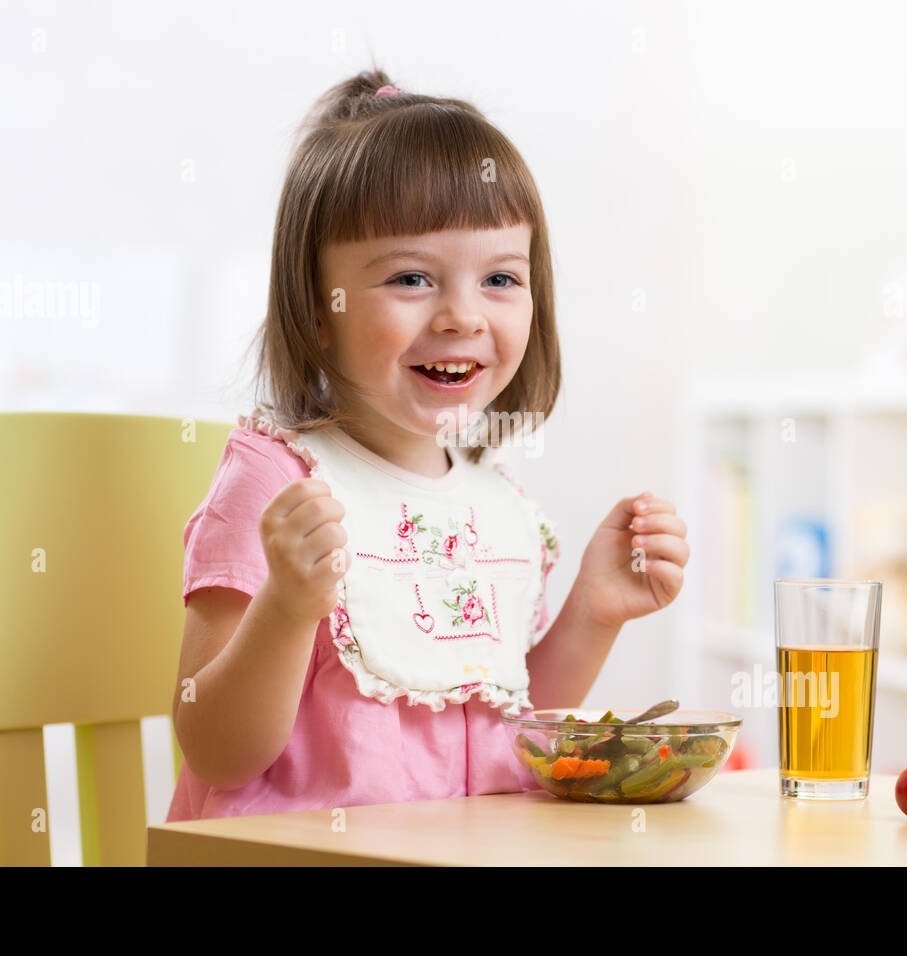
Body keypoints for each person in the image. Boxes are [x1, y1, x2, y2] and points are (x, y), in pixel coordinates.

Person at [167, 68, 689, 820]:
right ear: (317, 310)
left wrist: (593, 611)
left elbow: (519, 730)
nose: (462, 316)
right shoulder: (275, 482)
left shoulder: (492, 498)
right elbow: (216, 750)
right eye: (412, 277)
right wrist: (285, 609)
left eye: (501, 279)